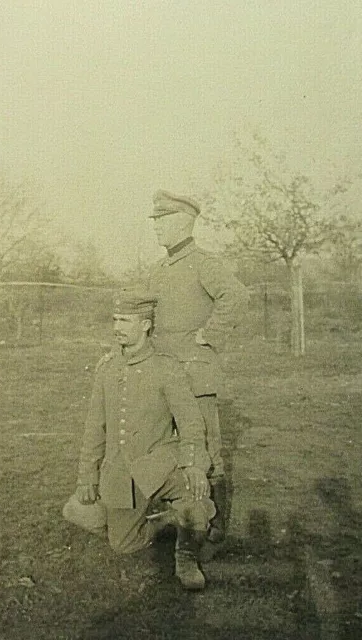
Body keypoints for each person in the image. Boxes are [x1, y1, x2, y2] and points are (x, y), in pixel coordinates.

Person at [63, 290, 216, 590]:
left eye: (125, 320)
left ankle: (186, 555)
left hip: (159, 466)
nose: (117, 327)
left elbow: (190, 422)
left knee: (196, 498)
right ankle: (168, 519)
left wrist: (195, 465)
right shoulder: (107, 369)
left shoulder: (166, 368)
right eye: (115, 319)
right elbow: (95, 428)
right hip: (120, 473)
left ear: (145, 325)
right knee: (119, 542)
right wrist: (87, 477)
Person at [147, 190, 249, 548]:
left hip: (194, 374)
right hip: (164, 375)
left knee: (208, 450)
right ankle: (183, 516)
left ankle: (215, 523)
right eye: (155, 222)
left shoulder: (205, 262)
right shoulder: (158, 269)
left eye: (161, 222)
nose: (156, 229)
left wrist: (210, 333)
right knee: (167, 447)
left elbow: (236, 296)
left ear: (182, 222)